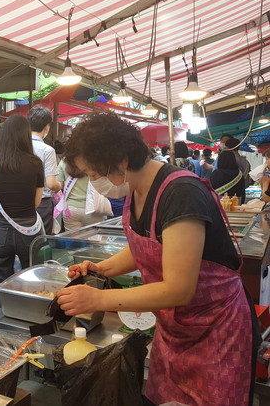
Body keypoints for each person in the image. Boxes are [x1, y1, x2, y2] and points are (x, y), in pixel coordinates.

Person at [56, 111, 257, 406]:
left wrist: (97, 300)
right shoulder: (134, 189)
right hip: (175, 331)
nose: (93, 181)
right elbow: (146, 247)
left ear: (121, 162)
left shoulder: (181, 193)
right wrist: (102, 268)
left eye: (94, 174)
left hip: (218, 331)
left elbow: (178, 288)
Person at [0, 115, 44, 310]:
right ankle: (28, 317)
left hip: (0, 229)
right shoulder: (35, 163)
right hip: (29, 229)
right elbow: (36, 203)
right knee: (32, 279)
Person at [28, 107, 62, 234]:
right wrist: (60, 185)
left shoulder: (18, 146)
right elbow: (51, 184)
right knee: (40, 243)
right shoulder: (47, 150)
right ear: (47, 127)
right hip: (42, 204)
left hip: (20, 203)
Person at [56, 158, 106, 231]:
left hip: (70, 209)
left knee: (74, 240)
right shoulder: (95, 160)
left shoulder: (64, 161)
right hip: (93, 207)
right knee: (94, 239)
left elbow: (58, 185)